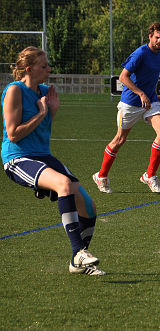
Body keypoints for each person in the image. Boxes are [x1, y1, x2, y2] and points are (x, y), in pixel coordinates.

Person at [1, 46, 105, 275]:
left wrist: (52, 111)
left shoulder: (47, 91)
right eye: (43, 66)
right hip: (18, 157)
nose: (49, 69)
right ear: (29, 69)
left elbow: (43, 129)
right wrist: (41, 113)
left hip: (44, 156)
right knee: (64, 185)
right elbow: (13, 134)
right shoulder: (14, 91)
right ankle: (78, 251)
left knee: (89, 207)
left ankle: (77, 262)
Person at [93, 22, 160, 193]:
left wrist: (154, 96)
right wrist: (140, 93)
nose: (159, 41)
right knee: (120, 140)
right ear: (150, 36)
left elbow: (151, 77)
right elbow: (123, 77)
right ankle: (101, 175)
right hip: (130, 103)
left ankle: (150, 175)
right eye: (156, 37)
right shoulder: (140, 53)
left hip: (150, 101)